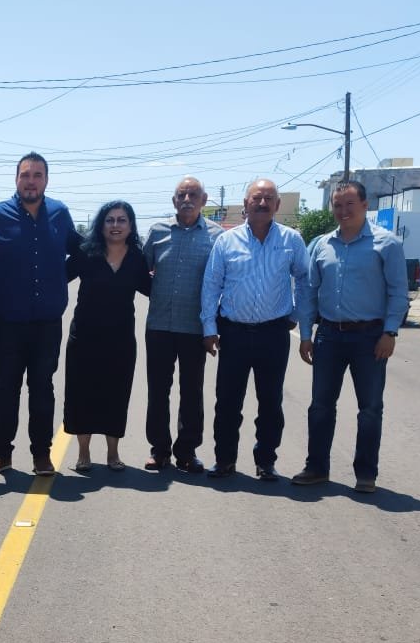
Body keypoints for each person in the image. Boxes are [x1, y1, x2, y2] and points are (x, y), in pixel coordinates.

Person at [292, 180, 409, 493]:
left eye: (349, 204)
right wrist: (306, 334)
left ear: (365, 205)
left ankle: (366, 474)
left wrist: (390, 332)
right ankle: (316, 468)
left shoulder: (387, 244)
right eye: (337, 205)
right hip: (329, 336)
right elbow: (309, 292)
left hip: (370, 337)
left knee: (370, 409)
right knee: (320, 406)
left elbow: (398, 292)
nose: (343, 211)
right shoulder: (322, 245)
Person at [0, 152, 82, 477]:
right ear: (16, 179)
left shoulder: (60, 214)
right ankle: (1, 454)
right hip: (8, 323)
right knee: (6, 389)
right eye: (25, 175)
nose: (31, 181)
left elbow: (82, 252)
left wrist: (59, 278)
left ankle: (41, 456)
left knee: (42, 389)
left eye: (37, 175)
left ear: (46, 180)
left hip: (47, 323)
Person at [200, 179, 310, 481]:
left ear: (277, 205)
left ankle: (266, 461)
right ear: (245, 204)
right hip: (233, 333)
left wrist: (296, 315)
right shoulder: (227, 241)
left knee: (271, 402)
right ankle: (225, 460)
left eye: (268, 198)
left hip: (273, 334)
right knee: (228, 402)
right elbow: (211, 285)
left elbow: (305, 279)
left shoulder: (291, 240)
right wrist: (209, 327)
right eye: (256, 198)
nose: (262, 203)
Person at [143, 177, 224, 473]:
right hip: (159, 325)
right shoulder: (157, 231)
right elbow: (141, 271)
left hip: (194, 327)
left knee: (192, 391)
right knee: (158, 390)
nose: (187, 199)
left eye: (193, 194)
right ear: (174, 200)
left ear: (204, 199)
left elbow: (221, 281)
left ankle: (187, 452)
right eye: (181, 195)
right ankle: (159, 450)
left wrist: (213, 326)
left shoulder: (217, 237)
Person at [63, 200, 149, 472]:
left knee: (117, 394)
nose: (115, 225)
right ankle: (83, 453)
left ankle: (113, 453)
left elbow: (153, 289)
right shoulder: (86, 253)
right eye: (109, 220)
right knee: (81, 395)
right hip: (84, 338)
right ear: (101, 225)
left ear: (131, 225)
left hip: (121, 340)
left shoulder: (137, 258)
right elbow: (57, 278)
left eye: (121, 220)